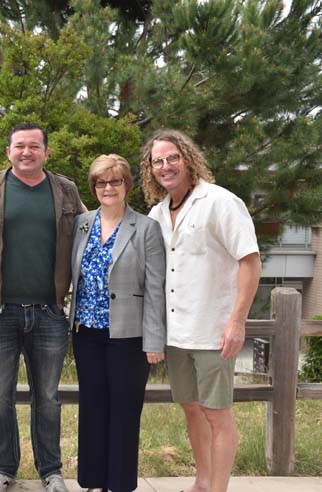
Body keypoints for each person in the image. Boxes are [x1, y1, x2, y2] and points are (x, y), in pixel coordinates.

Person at [0, 122, 86, 492]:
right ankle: (4, 469)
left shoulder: (65, 190)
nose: (26, 152)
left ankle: (51, 471)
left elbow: (93, 232)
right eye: (19, 146)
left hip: (49, 312)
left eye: (34, 146)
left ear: (46, 152)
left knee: (48, 398)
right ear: (9, 151)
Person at [141, 129, 261, 492]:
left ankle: (218, 489)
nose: (166, 166)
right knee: (192, 409)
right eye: (158, 161)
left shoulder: (220, 202)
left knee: (217, 414)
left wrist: (237, 322)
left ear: (188, 158)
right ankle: (202, 482)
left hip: (214, 332)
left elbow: (251, 262)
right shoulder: (157, 213)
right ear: (151, 170)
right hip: (177, 334)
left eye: (172, 157)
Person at [69, 154, 166, 492]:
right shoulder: (82, 223)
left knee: (124, 411)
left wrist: (154, 341)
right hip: (86, 333)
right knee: (93, 408)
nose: (108, 187)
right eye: (100, 182)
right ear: (94, 187)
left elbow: (155, 288)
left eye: (115, 181)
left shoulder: (146, 228)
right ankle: (94, 482)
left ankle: (120, 484)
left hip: (129, 336)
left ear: (127, 185)